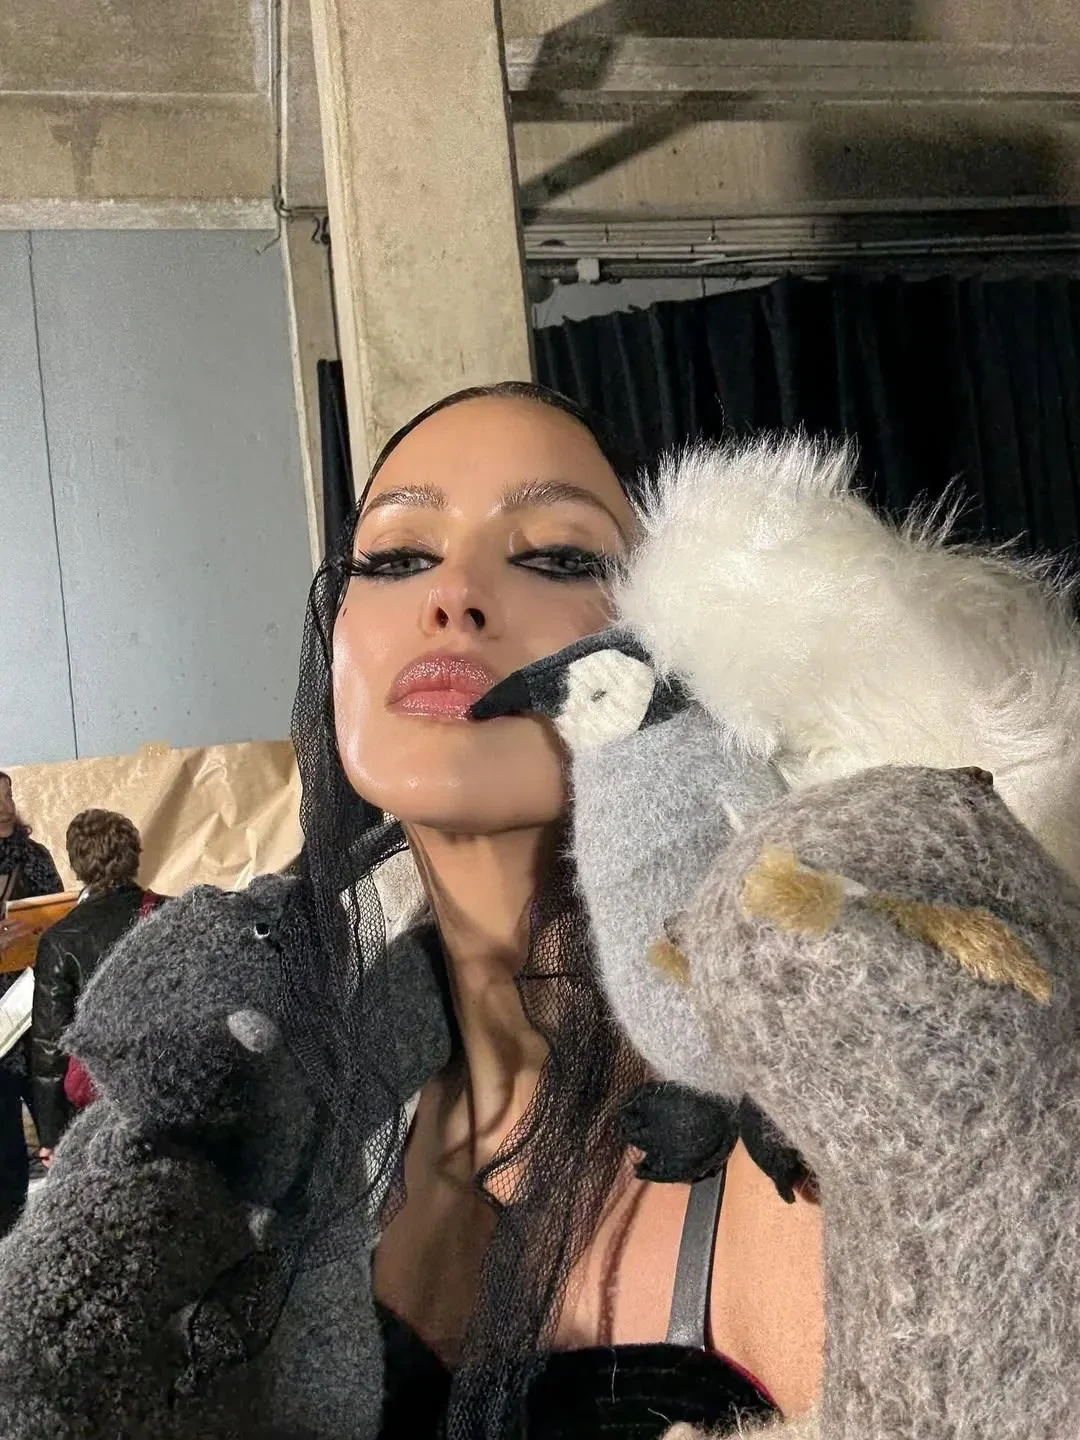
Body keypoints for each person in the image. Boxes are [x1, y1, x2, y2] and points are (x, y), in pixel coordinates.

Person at [0, 383, 824, 1438]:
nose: (455, 596)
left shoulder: (809, 1139)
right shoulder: (272, 1112)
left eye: (556, 554)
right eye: (395, 559)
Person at [30, 809, 156, 1160]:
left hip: (99, 1102)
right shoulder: (170, 914)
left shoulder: (61, 940)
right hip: (169, 1087)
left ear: (76, 864)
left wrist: (52, 1134)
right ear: (134, 854)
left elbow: (50, 1045)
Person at [0, 771, 63, 1236]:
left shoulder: (34, 855)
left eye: (7, 795)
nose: (4, 805)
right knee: (4, 1142)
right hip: (1, 1022)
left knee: (57, 1122)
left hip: (37, 1006)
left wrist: (40, 932)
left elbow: (60, 917)